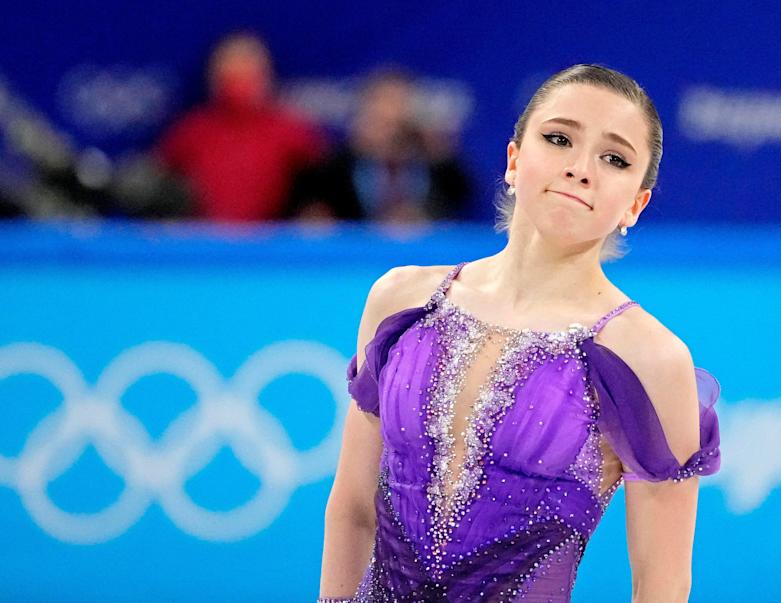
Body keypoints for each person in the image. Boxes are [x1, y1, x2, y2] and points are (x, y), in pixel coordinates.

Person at [318, 64, 721, 602]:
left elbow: (662, 584)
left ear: (635, 203)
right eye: (559, 139)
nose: (581, 169)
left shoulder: (647, 356)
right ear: (513, 159)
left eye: (614, 158)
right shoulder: (402, 301)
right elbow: (351, 509)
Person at [155, 32, 325, 222]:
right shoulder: (190, 132)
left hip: (274, 244)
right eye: (230, 67)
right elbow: (158, 187)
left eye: (247, 65)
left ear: (266, 74)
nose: (238, 77)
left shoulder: (293, 132)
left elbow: (321, 196)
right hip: (202, 244)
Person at [290, 69, 471, 224]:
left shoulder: (436, 161)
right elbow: (314, 212)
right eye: (382, 102)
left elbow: (461, 197)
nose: (390, 113)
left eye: (399, 103)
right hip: (356, 258)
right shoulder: (336, 167)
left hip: (420, 254)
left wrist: (439, 152)